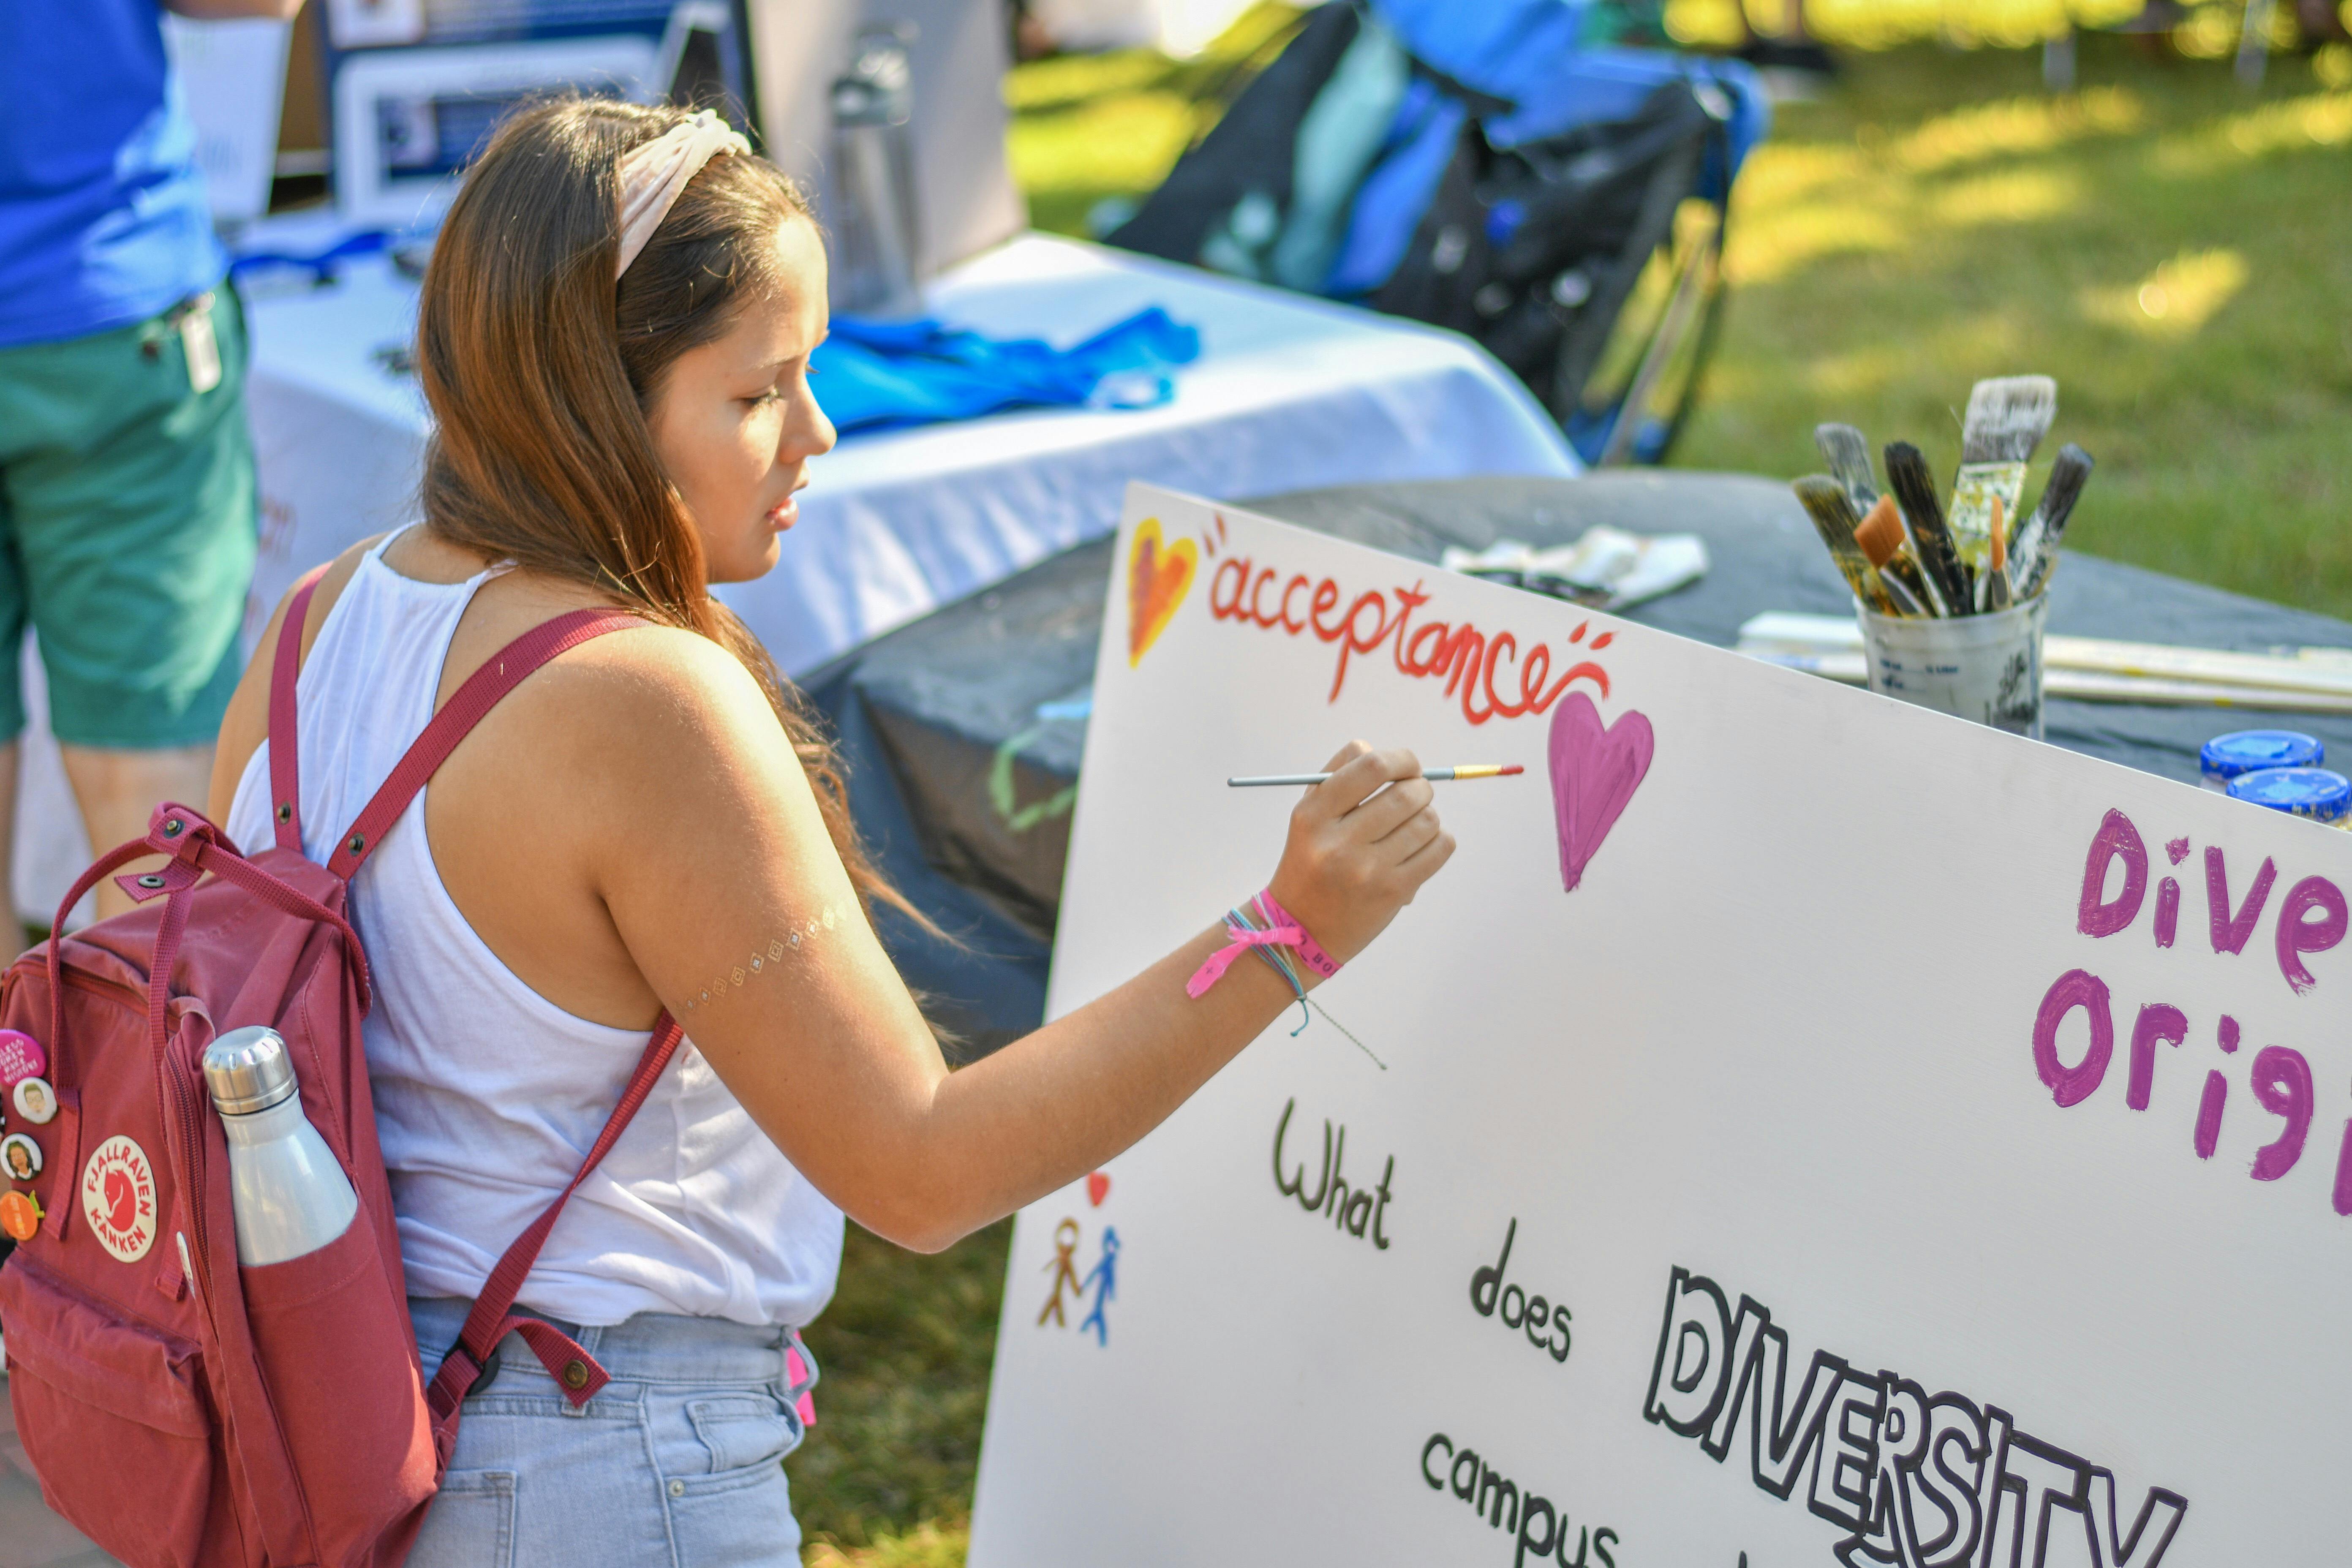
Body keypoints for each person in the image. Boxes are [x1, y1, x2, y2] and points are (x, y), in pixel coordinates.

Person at [204, 99, 1453, 1565]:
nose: (817, 432)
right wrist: (1290, 928)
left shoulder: (316, 622)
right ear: (590, 399)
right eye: (756, 392)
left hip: (331, 1436)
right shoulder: (637, 702)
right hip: (588, 1474)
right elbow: (919, 1168)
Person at [0, 0, 302, 962]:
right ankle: (148, 1097)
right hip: (108, 301)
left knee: (154, 812)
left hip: (110, 312)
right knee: (152, 800)